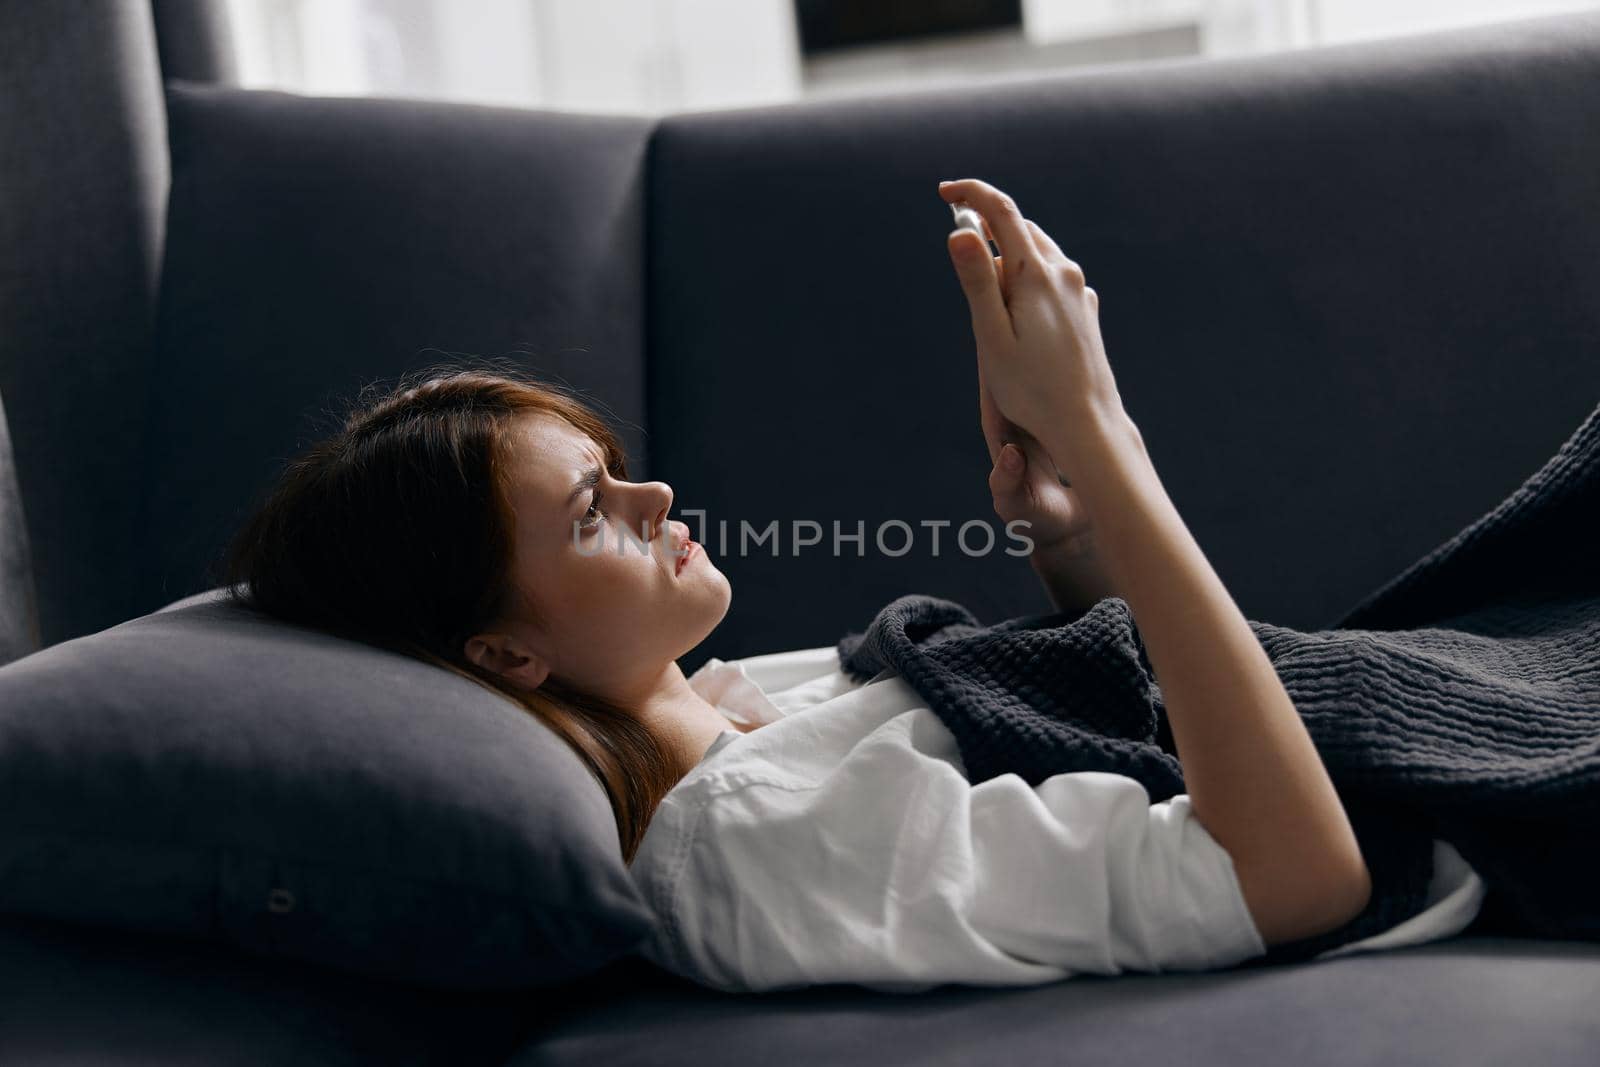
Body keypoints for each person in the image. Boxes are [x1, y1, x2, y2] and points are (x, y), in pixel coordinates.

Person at [221, 178, 1484, 995]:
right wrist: (1108, 438)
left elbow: (1104, 716)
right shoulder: (749, 847)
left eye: (617, 471)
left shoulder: (738, 704)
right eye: (592, 511)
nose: (654, 499)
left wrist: (1075, 532)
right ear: (502, 654)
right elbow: (1291, 877)